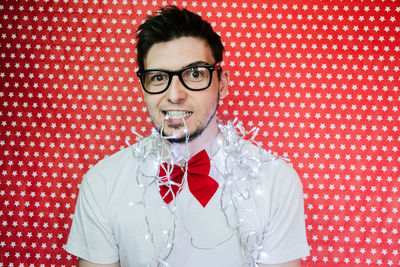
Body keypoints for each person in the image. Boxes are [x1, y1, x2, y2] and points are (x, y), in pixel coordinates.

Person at [65, 6, 310, 267]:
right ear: (144, 87)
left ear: (222, 83)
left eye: (194, 74)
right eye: (158, 77)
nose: (174, 94)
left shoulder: (275, 181)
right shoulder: (103, 182)